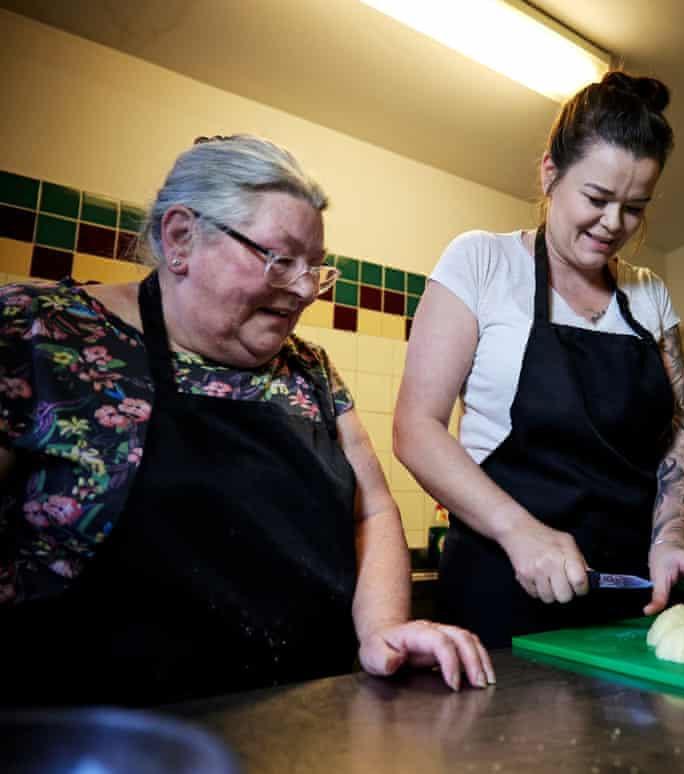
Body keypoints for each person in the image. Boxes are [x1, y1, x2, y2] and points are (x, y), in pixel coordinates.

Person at [0, 135, 494, 705]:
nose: (306, 290)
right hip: (104, 737)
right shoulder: (37, 333)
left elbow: (374, 509)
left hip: (304, 724)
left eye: (316, 269)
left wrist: (382, 628)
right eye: (282, 260)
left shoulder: (310, 370)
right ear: (181, 237)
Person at [393, 72, 684, 648]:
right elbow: (416, 428)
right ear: (550, 173)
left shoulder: (650, 296)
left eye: (635, 208)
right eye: (596, 199)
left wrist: (671, 539)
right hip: (503, 591)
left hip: (631, 600)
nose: (613, 225)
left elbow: (676, 434)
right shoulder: (481, 262)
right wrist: (519, 531)